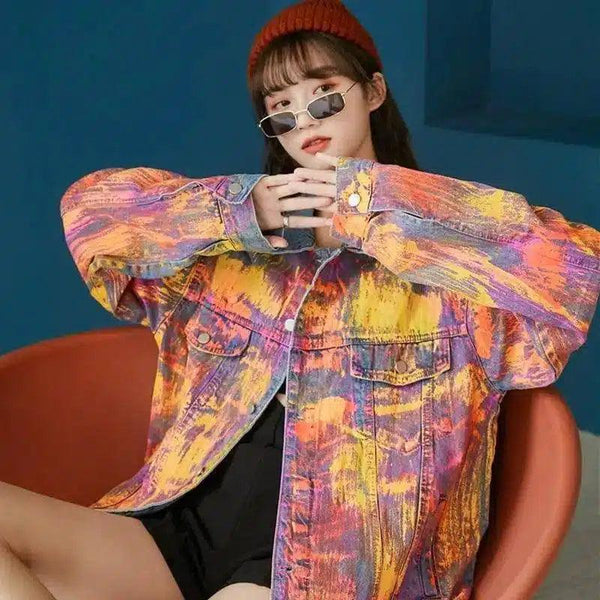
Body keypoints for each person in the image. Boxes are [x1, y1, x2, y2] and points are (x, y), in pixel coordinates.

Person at [1, 1, 599, 599]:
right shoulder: (232, 263)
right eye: (281, 109)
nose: (304, 119)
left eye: (325, 95)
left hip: (312, 574)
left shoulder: (455, 283)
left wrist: (364, 203)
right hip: (175, 531)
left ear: (374, 92)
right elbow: (92, 216)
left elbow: (573, 268)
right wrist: (241, 211)